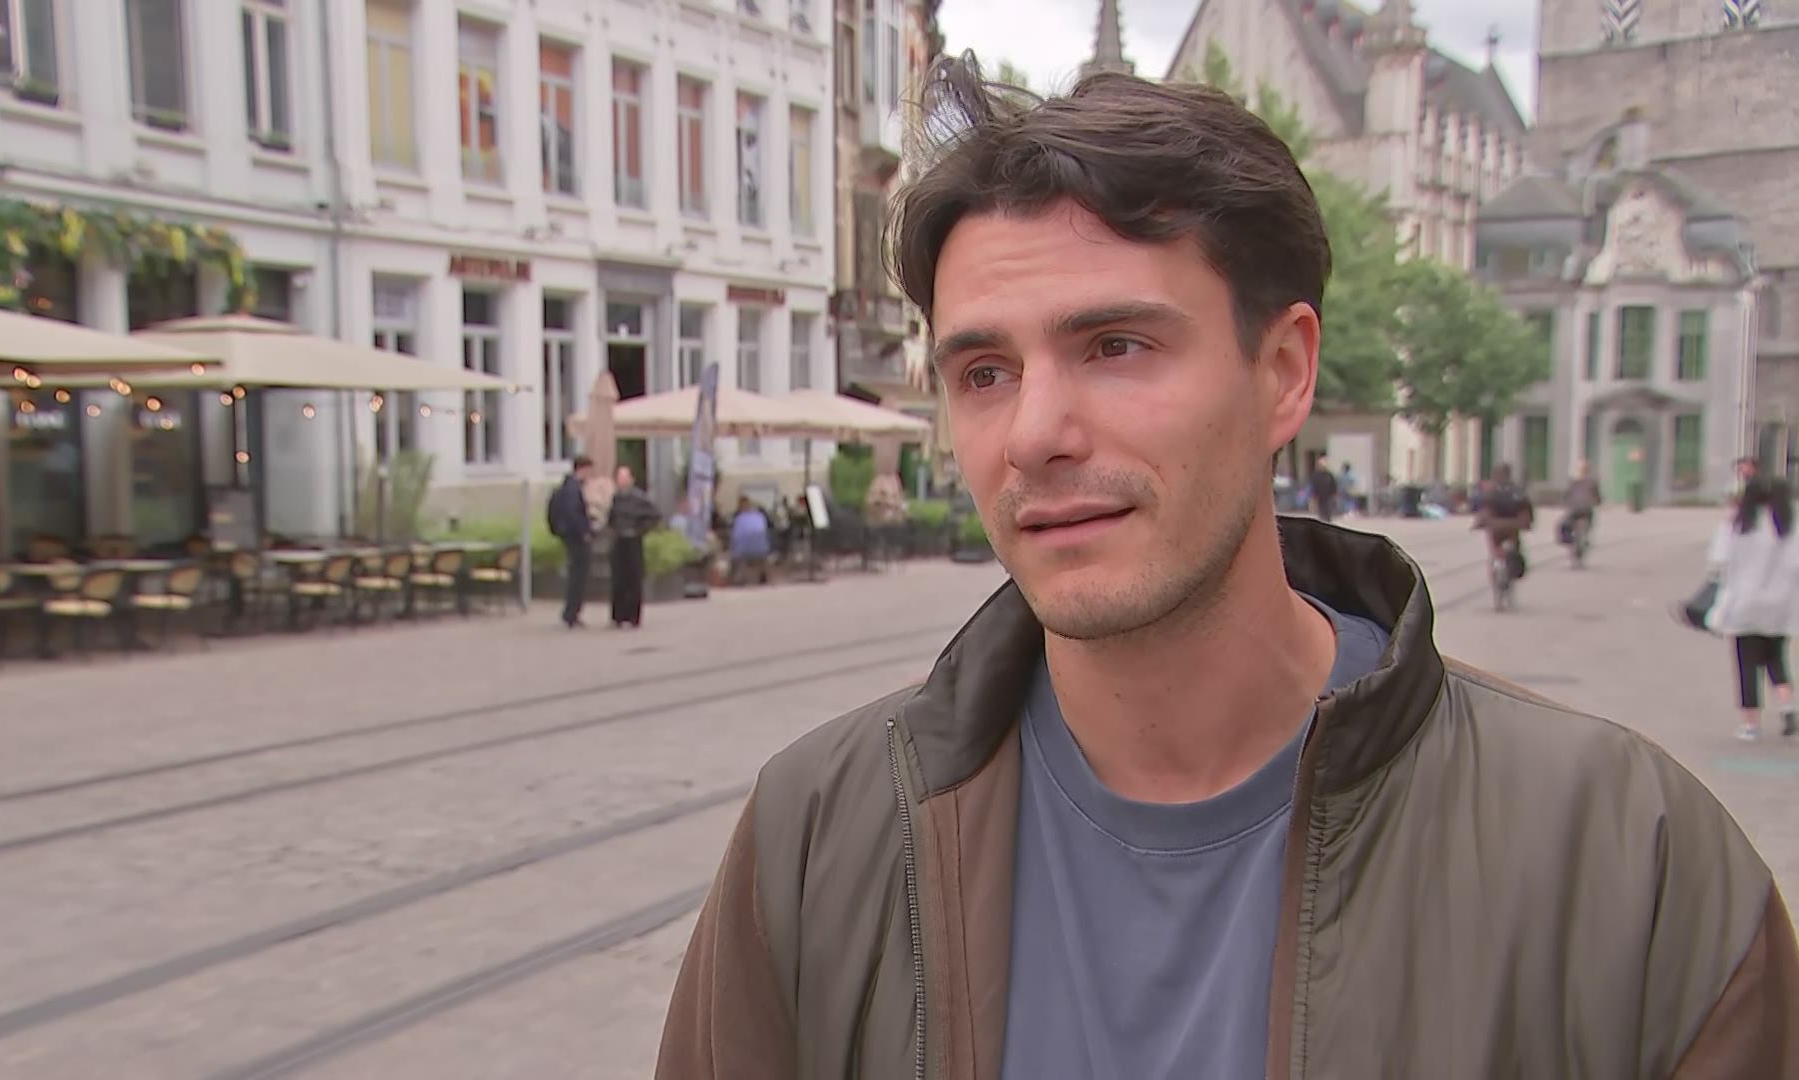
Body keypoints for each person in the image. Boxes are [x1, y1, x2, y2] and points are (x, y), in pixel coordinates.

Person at [657, 55, 1799, 1079]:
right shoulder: (819, 838)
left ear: (1284, 372)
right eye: (985, 373)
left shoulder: (1627, 864)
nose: (1035, 434)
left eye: (1115, 346)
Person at [1709, 476, 1799, 741]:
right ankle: (1787, 707)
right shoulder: (1788, 525)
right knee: (1777, 658)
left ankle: (1751, 725)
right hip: (1779, 605)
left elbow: (1718, 559)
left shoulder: (1738, 525)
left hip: (1744, 603)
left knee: (1746, 664)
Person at [606, 465, 661, 629]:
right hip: (619, 541)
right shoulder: (616, 498)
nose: (622, 482)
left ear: (631, 480)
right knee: (618, 579)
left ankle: (632, 616)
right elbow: (611, 517)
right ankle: (618, 616)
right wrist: (613, 529)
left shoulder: (640, 498)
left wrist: (639, 530)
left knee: (633, 579)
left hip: (633, 541)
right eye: (619, 478)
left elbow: (654, 516)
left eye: (625, 478)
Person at [546, 455, 594, 629]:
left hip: (569, 535)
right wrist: (584, 532)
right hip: (576, 538)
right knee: (578, 576)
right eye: (589, 471)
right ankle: (571, 613)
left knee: (576, 574)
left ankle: (571, 613)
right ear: (582, 469)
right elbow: (573, 513)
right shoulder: (573, 489)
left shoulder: (567, 486)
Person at [1474, 462, 1533, 577]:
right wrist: (1527, 523)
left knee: (1496, 545)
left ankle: (1498, 561)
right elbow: (1526, 509)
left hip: (1496, 527)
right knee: (1515, 546)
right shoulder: (1517, 491)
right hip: (1513, 526)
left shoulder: (1490, 491)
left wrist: (1478, 523)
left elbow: (1484, 510)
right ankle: (1511, 565)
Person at [728, 496, 772, 585]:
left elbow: (735, 537)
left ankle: (737, 577)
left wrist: (731, 547)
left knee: (735, 554)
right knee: (761, 553)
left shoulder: (739, 519)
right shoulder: (760, 516)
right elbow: (765, 532)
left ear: (739, 507)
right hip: (762, 549)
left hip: (744, 551)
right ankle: (763, 575)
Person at [1561, 459, 1602, 546]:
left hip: (1574, 508)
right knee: (1589, 519)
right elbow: (1597, 495)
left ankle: (1567, 537)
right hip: (1586, 508)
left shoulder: (1574, 481)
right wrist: (1598, 502)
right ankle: (1585, 535)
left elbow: (1567, 494)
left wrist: (1566, 503)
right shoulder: (1592, 481)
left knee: (1566, 521)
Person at [1308, 453, 1338, 522]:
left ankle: (1328, 521)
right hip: (1319, 496)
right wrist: (1312, 497)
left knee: (1328, 511)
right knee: (1321, 512)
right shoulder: (1316, 475)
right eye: (1321, 465)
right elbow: (1313, 486)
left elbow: (1334, 485)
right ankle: (1323, 521)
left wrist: (1335, 495)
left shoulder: (1329, 475)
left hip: (1328, 496)